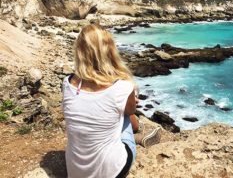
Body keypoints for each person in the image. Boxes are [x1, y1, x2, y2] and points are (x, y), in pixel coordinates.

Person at [62, 24, 160, 178]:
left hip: (76, 172)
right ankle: (139, 134)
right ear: (110, 51)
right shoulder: (122, 87)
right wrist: (130, 98)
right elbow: (130, 113)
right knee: (126, 115)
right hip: (112, 171)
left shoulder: (68, 83)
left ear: (80, 51)